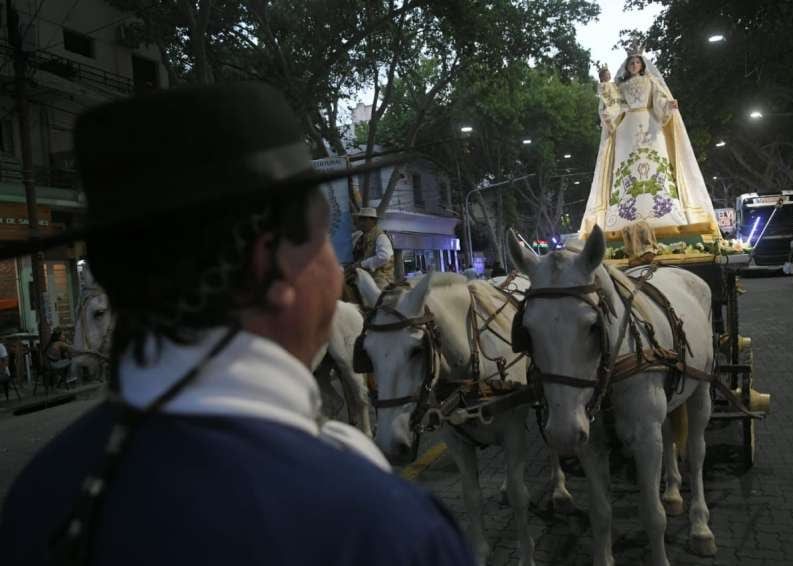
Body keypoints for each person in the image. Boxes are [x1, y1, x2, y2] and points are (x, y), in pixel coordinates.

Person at [0, 83, 474, 566]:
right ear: (276, 264)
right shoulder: (388, 531)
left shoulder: (34, 498)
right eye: (321, 245)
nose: (334, 272)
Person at [580, 48, 719, 237]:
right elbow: (614, 104)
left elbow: (659, 100)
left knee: (656, 165)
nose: (634, 66)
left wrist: (668, 105)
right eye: (631, 63)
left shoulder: (651, 81)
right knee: (625, 167)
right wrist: (605, 84)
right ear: (627, 67)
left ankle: (664, 210)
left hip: (650, 124)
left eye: (637, 63)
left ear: (642, 65)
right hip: (627, 129)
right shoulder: (621, 86)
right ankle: (623, 214)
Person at [350, 206, 395, 289]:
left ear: (373, 221)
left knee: (378, 298)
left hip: (380, 277)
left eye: (364, 220)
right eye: (360, 219)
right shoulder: (359, 236)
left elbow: (384, 257)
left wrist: (362, 264)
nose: (361, 222)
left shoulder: (381, 236)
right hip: (362, 276)